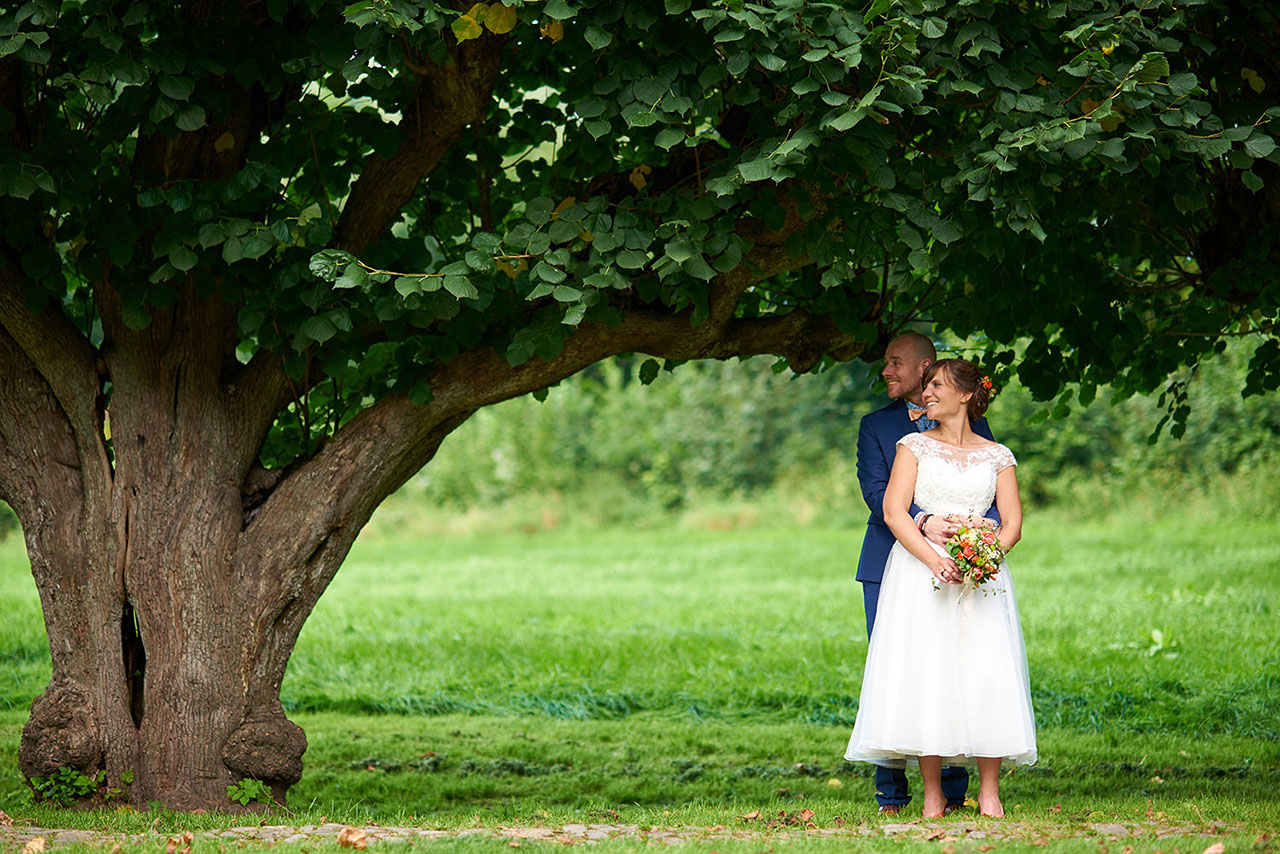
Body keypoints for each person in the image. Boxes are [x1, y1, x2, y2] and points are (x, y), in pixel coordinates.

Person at [845, 358, 1037, 818]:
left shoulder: (998, 455)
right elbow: (894, 512)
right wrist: (936, 562)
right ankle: (933, 794)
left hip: (983, 578)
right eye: (926, 384)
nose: (927, 392)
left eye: (936, 385)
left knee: (986, 670)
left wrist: (987, 557)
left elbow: (1012, 524)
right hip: (919, 574)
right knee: (926, 672)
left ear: (966, 395)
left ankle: (989, 792)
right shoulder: (911, 446)